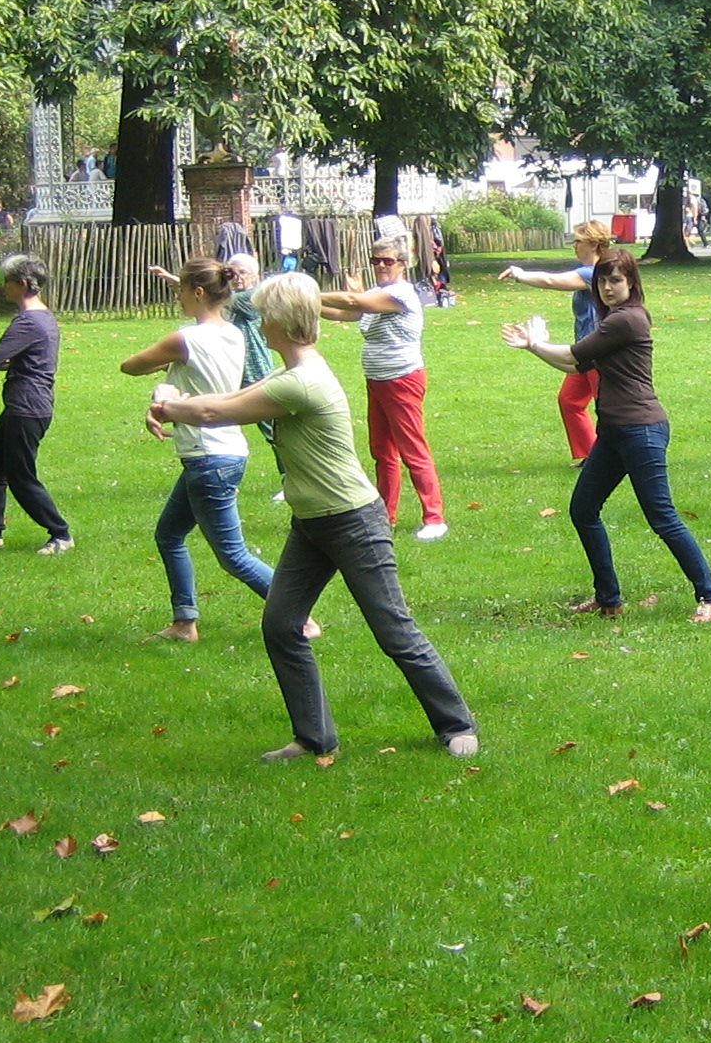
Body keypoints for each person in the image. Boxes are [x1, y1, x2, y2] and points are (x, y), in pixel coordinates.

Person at [150, 273, 478, 762]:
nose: (260, 324)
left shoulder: (300, 382)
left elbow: (221, 413)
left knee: (393, 629)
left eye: (264, 316)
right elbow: (222, 401)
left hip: (353, 522)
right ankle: (314, 738)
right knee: (282, 625)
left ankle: (457, 725)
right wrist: (174, 399)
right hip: (311, 523)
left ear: (280, 322)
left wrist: (170, 406)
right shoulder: (292, 371)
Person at [504, 248, 711, 620]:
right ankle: (609, 600)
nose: (607, 287)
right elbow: (576, 366)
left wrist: (534, 344)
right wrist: (534, 347)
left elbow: (573, 355)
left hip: (642, 430)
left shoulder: (628, 320)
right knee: (583, 509)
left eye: (615, 280)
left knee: (662, 517)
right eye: (602, 281)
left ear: (631, 283)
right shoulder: (612, 320)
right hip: (613, 432)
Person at [120, 258, 273, 641]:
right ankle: (184, 622)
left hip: (208, 456)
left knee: (232, 555)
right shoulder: (235, 334)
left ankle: (299, 614)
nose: (179, 297)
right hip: (227, 449)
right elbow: (197, 379)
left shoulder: (185, 339)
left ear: (198, 292)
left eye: (181, 290)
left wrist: (162, 370)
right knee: (169, 535)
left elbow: (131, 366)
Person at [320, 239, 447, 541]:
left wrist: (306, 290)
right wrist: (302, 303)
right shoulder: (375, 295)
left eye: (387, 261)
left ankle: (434, 517)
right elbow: (343, 313)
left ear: (402, 264)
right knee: (383, 452)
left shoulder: (400, 293)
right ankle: (384, 515)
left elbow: (354, 303)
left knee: (412, 449)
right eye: (376, 260)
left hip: (401, 378)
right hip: (377, 379)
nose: (380, 266)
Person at [0, 253, 73, 553]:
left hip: (27, 407)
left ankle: (61, 534)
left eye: (8, 282)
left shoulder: (27, 322)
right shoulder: (45, 317)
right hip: (28, 404)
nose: (4, 286)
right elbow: (31, 358)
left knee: (20, 476)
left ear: (24, 284)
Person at [499, 220, 610, 462]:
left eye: (578, 241)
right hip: (584, 350)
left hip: (599, 352)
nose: (575, 246)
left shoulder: (594, 273)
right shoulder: (590, 271)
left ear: (593, 244)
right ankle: (591, 456)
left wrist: (520, 275)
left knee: (609, 410)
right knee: (570, 400)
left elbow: (552, 281)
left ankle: (612, 458)